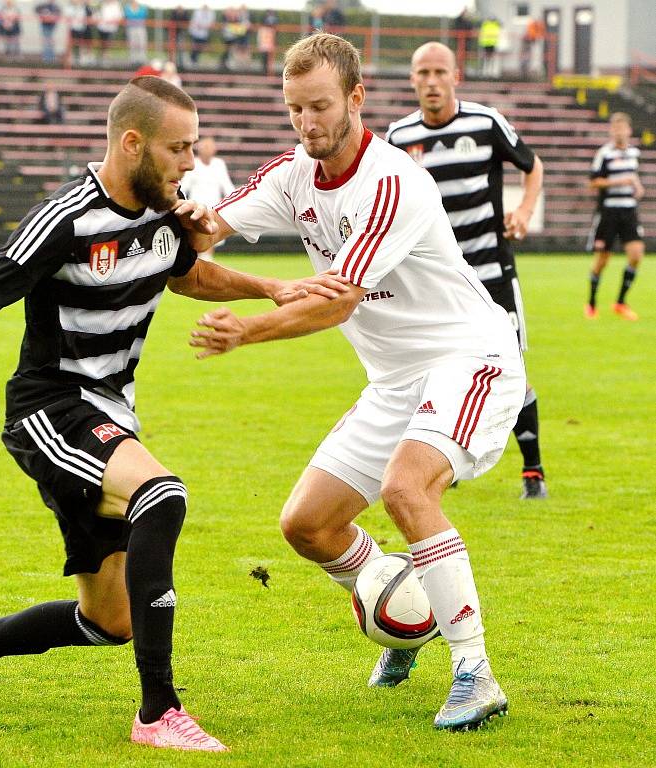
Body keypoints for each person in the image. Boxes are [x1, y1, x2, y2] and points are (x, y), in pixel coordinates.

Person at [0, 75, 345, 752]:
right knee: (161, 495)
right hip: (50, 410)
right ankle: (158, 713)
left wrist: (272, 286)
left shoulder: (166, 215)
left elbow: (189, 273)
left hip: (109, 416)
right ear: (132, 142)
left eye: (192, 147)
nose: (190, 162)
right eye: (177, 148)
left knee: (108, 621)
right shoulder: (66, 220)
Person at [186, 33, 524, 732]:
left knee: (406, 487)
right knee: (306, 525)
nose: (306, 124)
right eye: (293, 110)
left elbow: (337, 299)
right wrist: (151, 219)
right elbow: (198, 241)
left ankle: (474, 673)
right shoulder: (289, 175)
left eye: (318, 107)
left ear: (356, 99)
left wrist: (247, 328)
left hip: (470, 356)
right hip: (395, 379)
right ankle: (405, 611)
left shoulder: (393, 180)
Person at [386, 41, 547, 500]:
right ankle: (441, 463)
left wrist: (524, 210)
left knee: (511, 371)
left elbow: (532, 167)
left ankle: (533, 471)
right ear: (413, 80)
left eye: (440, 72)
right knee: (433, 371)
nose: (432, 82)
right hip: (435, 282)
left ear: (456, 76)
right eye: (423, 73)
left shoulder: (485, 122)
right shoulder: (398, 138)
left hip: (492, 272)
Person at [585, 112, 645, 321]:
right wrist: (619, 182)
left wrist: (637, 186)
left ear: (628, 131)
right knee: (603, 260)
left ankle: (620, 302)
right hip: (609, 212)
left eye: (622, 128)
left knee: (636, 255)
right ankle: (591, 302)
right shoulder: (604, 153)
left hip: (628, 211)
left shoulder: (634, 153)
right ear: (611, 131)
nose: (619, 132)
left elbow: (632, 177)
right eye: (615, 128)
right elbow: (593, 182)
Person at [180, 136, 234, 260]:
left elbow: (227, 187)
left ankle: (206, 264)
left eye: (209, 147)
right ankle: (202, 264)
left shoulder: (219, 164)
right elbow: (184, 187)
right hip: (196, 210)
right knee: (198, 238)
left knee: (211, 237)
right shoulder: (194, 164)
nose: (207, 150)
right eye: (204, 147)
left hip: (214, 209)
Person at [124, 0, 148, 68]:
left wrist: (134, 17)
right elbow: (128, 15)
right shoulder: (127, 7)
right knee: (132, 43)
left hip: (140, 27)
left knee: (141, 43)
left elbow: (143, 15)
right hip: (131, 28)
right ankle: (133, 59)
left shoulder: (142, 7)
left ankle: (142, 59)